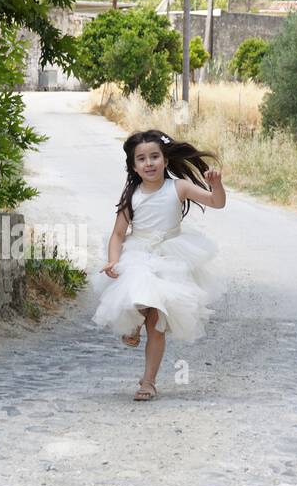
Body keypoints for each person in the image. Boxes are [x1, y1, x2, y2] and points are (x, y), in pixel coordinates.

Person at [90, 128, 227, 401]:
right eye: (142, 159)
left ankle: (148, 382)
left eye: (154, 157)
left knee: (157, 321)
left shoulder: (178, 187)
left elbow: (216, 202)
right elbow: (118, 233)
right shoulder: (132, 194)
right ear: (134, 165)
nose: (149, 163)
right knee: (141, 295)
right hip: (138, 253)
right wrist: (114, 260)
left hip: (171, 257)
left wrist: (216, 185)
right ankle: (135, 322)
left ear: (165, 160)